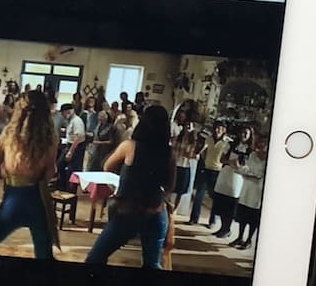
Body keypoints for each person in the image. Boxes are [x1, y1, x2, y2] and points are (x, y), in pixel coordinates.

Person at [0, 88, 59, 261]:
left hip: (12, 198)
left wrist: (8, 163)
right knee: (43, 253)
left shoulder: (10, 133)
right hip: (36, 199)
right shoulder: (50, 139)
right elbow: (50, 172)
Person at [83, 102, 173, 269]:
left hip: (129, 212)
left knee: (95, 258)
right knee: (152, 264)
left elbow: (107, 166)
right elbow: (169, 186)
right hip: (156, 212)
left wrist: (126, 179)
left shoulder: (130, 146)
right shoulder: (168, 153)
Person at [231, 132, 266, 248]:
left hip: (258, 191)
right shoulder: (252, 155)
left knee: (253, 218)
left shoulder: (269, 160)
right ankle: (240, 237)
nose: (261, 146)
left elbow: (260, 174)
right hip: (247, 188)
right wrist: (242, 169)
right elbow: (247, 169)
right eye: (260, 143)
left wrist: (252, 174)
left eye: (264, 144)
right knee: (242, 216)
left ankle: (249, 240)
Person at [190, 122, 227, 224]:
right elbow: (202, 149)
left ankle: (212, 221)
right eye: (216, 128)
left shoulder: (226, 142)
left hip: (217, 171)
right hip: (206, 169)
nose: (217, 130)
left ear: (224, 130)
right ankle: (194, 219)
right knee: (199, 195)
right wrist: (197, 153)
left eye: (220, 128)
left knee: (215, 198)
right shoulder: (209, 138)